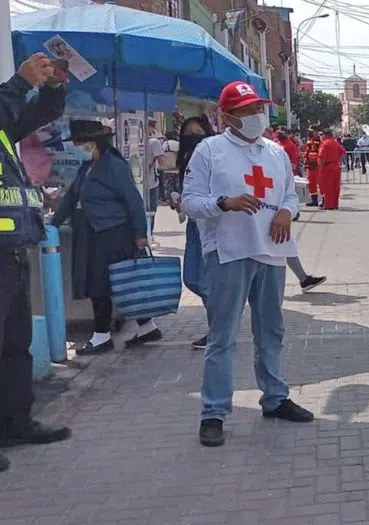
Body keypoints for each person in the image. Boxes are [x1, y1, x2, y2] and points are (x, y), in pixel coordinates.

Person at [181, 81, 314, 447]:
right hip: (229, 252)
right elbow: (189, 202)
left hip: (272, 251)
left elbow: (290, 192)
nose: (257, 116)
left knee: (271, 330)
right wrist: (224, 203)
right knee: (223, 336)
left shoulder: (275, 152)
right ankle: (213, 412)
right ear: (227, 116)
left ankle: (275, 397)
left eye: (259, 109)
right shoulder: (210, 150)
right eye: (247, 111)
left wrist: (288, 211)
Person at [0, 53, 73, 472]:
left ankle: (14, 422)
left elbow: (35, 114)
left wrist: (51, 87)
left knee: (15, 346)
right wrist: (19, 81)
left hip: (12, 248)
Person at [51, 120, 163, 355]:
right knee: (114, 283)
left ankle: (102, 335)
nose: (76, 148)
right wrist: (52, 224)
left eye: (78, 143)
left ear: (92, 144)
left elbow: (133, 200)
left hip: (114, 234)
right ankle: (147, 326)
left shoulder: (113, 165)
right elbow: (71, 198)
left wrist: (140, 234)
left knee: (105, 283)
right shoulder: (88, 167)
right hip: (93, 233)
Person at [176, 116, 215, 349]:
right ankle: (219, 326)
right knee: (191, 278)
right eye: (188, 131)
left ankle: (218, 329)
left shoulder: (211, 156)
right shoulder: (188, 158)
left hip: (208, 224)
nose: (193, 135)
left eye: (198, 131)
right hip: (193, 224)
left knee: (203, 280)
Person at [318, 131, 345, 210]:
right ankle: (335, 204)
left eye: (322, 135)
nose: (321, 136)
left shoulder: (324, 144)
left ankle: (329, 205)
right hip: (336, 166)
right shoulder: (336, 143)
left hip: (327, 167)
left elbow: (321, 157)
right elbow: (343, 152)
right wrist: (338, 161)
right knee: (335, 186)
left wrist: (321, 167)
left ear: (325, 135)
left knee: (328, 186)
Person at [302, 129, 321, 206]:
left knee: (319, 183)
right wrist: (305, 161)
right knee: (311, 183)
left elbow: (319, 151)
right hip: (310, 165)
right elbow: (307, 151)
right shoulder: (309, 140)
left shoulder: (318, 140)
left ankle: (324, 199)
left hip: (316, 165)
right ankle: (314, 200)